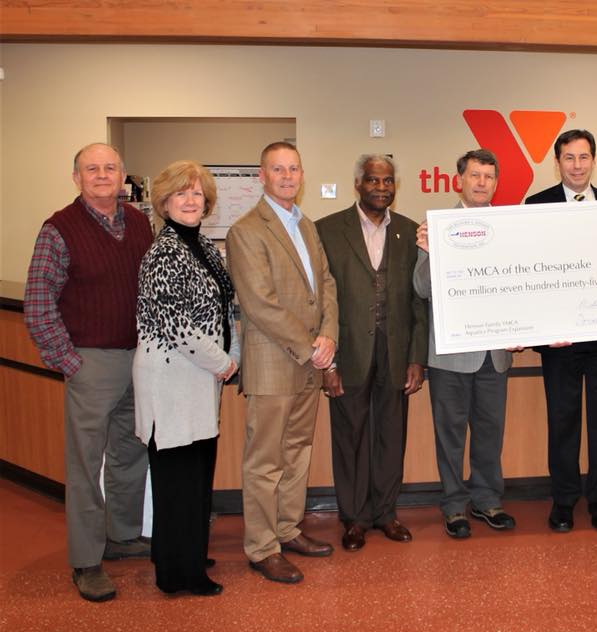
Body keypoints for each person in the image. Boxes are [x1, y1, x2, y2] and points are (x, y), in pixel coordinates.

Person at [24, 143, 153, 602]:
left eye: (110, 168)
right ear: (76, 177)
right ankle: (85, 560)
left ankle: (122, 536)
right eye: (92, 169)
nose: (102, 175)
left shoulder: (139, 223)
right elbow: (38, 305)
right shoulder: (59, 229)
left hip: (138, 358)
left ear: (123, 176)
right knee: (85, 466)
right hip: (90, 361)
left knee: (129, 454)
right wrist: (70, 363)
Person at [226, 142, 339, 584]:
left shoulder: (306, 225)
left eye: (293, 169)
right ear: (262, 175)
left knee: (297, 452)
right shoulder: (246, 230)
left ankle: (288, 530)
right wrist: (311, 345)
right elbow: (259, 303)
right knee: (265, 460)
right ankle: (261, 547)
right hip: (275, 361)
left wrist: (329, 335)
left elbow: (325, 284)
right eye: (278, 169)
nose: (288, 176)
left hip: (310, 359)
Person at [134, 161, 240, 594]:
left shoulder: (204, 246)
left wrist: (227, 355)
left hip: (200, 378)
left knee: (196, 474)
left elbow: (226, 306)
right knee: (178, 479)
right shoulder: (163, 252)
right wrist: (223, 363)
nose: (191, 200)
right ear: (164, 202)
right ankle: (180, 574)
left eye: (197, 193)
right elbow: (176, 326)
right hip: (172, 378)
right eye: (182, 193)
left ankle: (186, 551)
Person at [316, 154, 428, 551]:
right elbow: (320, 301)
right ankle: (354, 517)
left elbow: (419, 302)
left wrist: (417, 358)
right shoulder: (327, 230)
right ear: (358, 184)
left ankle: (385, 513)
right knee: (350, 436)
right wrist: (327, 363)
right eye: (373, 181)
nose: (382, 188)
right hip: (348, 352)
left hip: (395, 352)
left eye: (388, 181)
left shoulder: (411, 232)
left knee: (391, 435)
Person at [524, 129, 597, 532]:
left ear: (594, 161)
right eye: (569, 158)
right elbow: (530, 272)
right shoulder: (535, 206)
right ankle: (563, 500)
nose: (577, 165)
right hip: (559, 341)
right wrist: (539, 328)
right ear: (557, 162)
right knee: (562, 423)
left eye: (584, 158)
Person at [413, 149, 516, 539]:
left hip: (495, 353)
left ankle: (487, 500)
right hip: (451, 356)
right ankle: (454, 505)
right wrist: (428, 250)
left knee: (490, 433)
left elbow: (521, 283)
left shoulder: (508, 228)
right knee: (451, 435)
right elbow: (420, 288)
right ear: (459, 180)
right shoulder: (436, 227)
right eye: (474, 175)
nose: (481, 183)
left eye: (489, 177)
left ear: (495, 183)